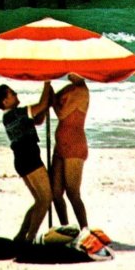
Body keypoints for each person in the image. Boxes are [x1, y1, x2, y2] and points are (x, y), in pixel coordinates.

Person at [0, 82, 54, 244]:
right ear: (5, 101)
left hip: (23, 159)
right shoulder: (15, 114)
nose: (16, 94)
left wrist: (46, 103)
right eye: (12, 93)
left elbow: (38, 119)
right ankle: (30, 238)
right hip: (29, 158)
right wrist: (47, 82)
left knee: (40, 201)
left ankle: (21, 236)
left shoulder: (12, 116)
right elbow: (41, 105)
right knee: (46, 199)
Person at [50, 73, 90, 229]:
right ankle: (65, 228)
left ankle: (84, 229)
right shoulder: (70, 88)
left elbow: (61, 113)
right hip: (61, 144)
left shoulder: (81, 91)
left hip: (74, 144)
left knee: (73, 193)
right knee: (55, 193)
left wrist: (51, 95)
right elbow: (52, 100)